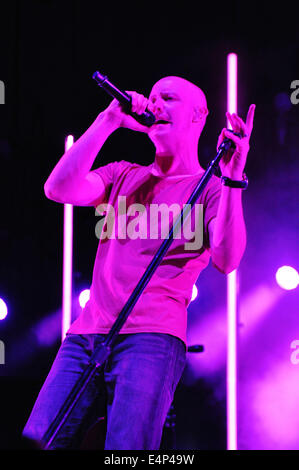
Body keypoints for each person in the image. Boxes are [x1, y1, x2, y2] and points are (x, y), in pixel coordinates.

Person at [22, 75, 255, 450]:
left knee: (127, 449)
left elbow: (227, 260)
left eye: (169, 98)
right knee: (39, 440)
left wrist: (232, 178)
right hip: (86, 334)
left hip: (152, 338)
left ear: (199, 115)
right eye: (152, 98)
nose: (156, 103)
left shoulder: (211, 188)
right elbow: (57, 189)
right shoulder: (122, 175)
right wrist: (109, 121)